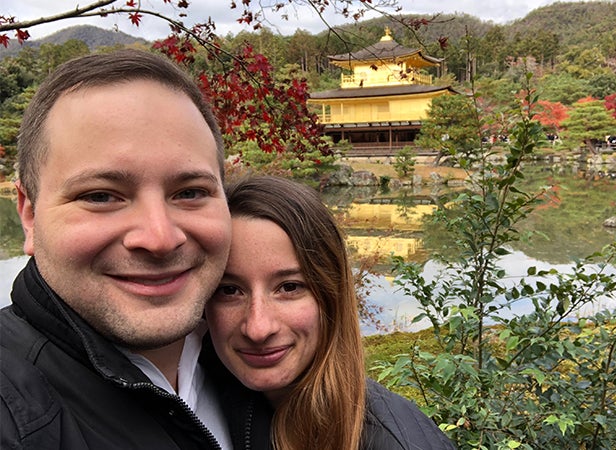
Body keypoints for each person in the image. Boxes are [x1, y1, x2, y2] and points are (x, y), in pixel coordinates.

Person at [0, 49, 233, 449]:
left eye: (190, 192)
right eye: (101, 196)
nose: (159, 238)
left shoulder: (264, 354)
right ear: (30, 215)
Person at [204, 175, 456, 450]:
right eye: (229, 290)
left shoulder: (394, 442)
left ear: (331, 295)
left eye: (289, 287)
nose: (258, 328)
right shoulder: (194, 398)